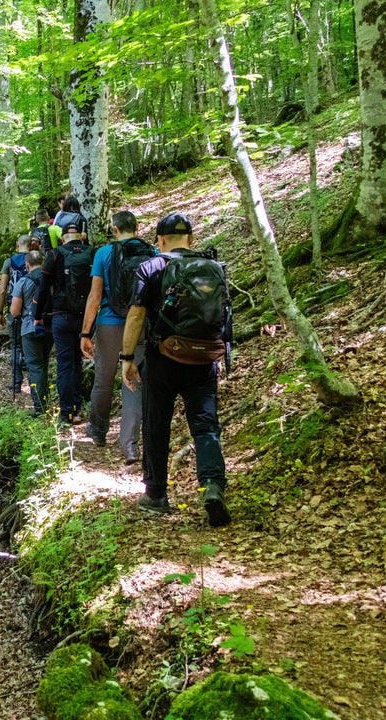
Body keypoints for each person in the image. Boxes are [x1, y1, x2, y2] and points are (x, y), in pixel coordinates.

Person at [120, 212, 232, 527]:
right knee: (206, 425)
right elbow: (223, 315)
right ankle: (212, 484)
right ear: (192, 240)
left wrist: (127, 358)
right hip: (203, 359)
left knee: (156, 424)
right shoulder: (214, 268)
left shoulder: (152, 267)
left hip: (163, 357)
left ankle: (156, 493)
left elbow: (136, 315)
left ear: (161, 241)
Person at [80, 210, 155, 464]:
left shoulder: (103, 254)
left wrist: (85, 332)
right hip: (140, 324)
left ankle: (98, 430)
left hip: (109, 323)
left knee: (103, 377)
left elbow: (95, 296)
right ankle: (130, 445)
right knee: (133, 380)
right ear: (137, 226)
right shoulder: (151, 253)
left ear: (114, 229)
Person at [35, 222, 94, 425]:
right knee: (77, 362)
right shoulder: (90, 253)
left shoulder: (55, 255)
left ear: (63, 239)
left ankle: (66, 413)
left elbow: (43, 288)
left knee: (65, 364)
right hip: (84, 318)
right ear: (81, 236)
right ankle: (77, 409)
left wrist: (38, 315)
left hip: (61, 316)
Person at [10, 250, 53, 416]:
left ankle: (40, 407)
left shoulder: (22, 282)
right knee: (43, 363)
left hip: (29, 327)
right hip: (49, 327)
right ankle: (45, 400)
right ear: (42, 263)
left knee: (35, 366)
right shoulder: (51, 279)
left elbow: (14, 311)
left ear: (27, 265)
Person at [0, 235, 31, 393]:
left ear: (17, 244)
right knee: (31, 344)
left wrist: (0, 312)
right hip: (33, 307)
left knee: (15, 345)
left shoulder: (9, 262)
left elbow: (3, 289)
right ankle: (34, 384)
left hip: (14, 307)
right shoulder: (36, 259)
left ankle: (16, 382)